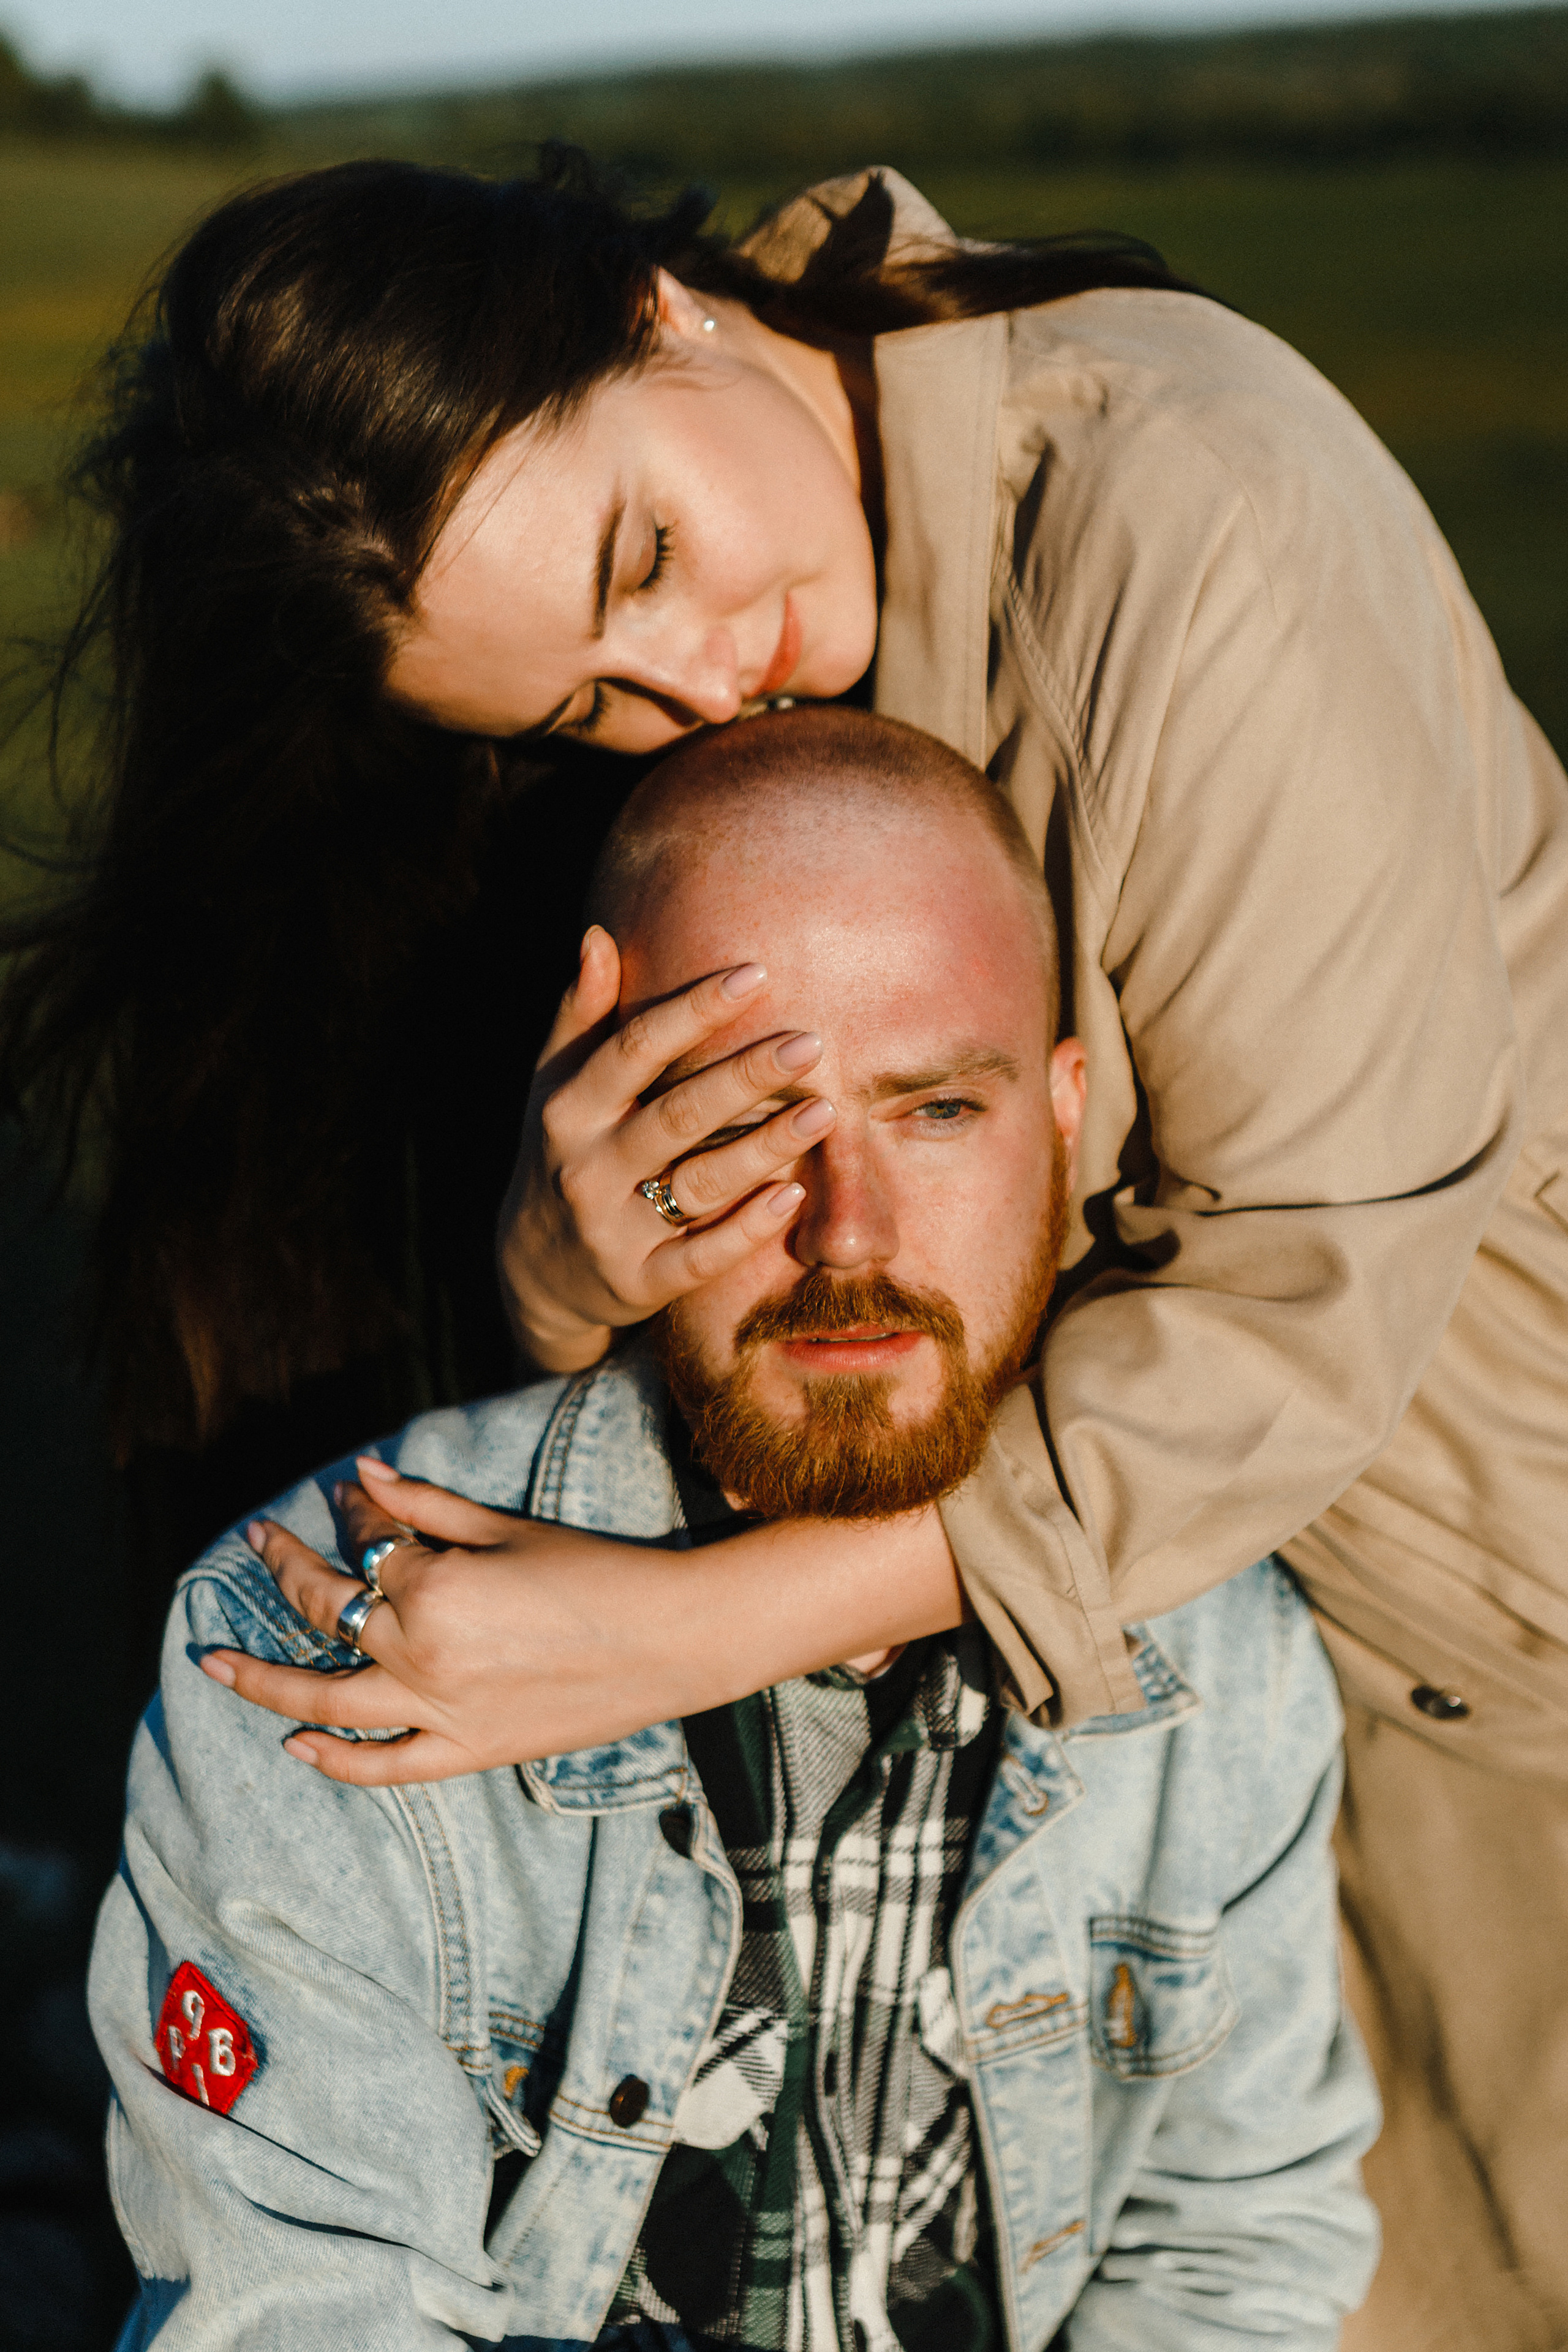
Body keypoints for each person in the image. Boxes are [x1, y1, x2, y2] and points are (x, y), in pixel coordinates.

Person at [9, 151, 1567, 2346]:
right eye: (579, 708)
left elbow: (1301, 1306)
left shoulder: (1184, 504)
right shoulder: (784, 623)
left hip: (1479, 1606)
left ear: (667, 308)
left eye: (645, 552)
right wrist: (559, 1282)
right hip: (1094, 1558)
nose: (694, 685)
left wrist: (672, 1634)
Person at [90, 710, 1379, 2349]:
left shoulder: (1219, 1650)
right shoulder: (311, 1648)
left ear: (1065, 1116)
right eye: (745, 1128)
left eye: (936, 1111)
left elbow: (1233, 2248)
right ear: (605, 1136)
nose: (849, 1230)